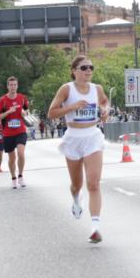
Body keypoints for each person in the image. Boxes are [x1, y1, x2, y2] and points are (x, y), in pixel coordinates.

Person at [47, 55, 110, 243]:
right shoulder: (66, 89)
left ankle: (95, 227)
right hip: (73, 138)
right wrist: (72, 106)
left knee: (94, 184)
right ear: (74, 71)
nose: (88, 71)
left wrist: (105, 110)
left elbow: (104, 101)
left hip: (92, 136)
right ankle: (76, 200)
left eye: (91, 67)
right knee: (77, 184)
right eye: (84, 68)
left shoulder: (97, 89)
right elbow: (51, 113)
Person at [0, 76, 30, 188]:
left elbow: (27, 110)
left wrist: (25, 113)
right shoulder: (3, 100)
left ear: (17, 86)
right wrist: (8, 112)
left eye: (15, 85)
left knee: (21, 153)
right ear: (7, 86)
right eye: (11, 85)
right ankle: (13, 178)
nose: (13, 87)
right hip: (8, 133)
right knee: (12, 158)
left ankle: (20, 176)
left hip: (20, 131)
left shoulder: (22, 98)